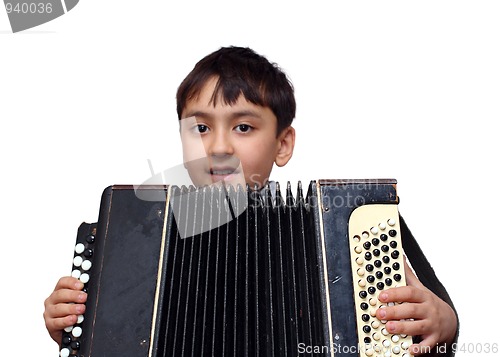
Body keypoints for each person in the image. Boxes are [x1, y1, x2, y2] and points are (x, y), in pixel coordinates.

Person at [43, 46, 458, 355]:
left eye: (243, 127)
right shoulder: (141, 231)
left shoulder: (356, 224)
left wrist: (445, 323)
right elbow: (102, 337)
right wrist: (74, 324)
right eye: (200, 128)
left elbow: (439, 321)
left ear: (283, 143)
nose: (218, 146)